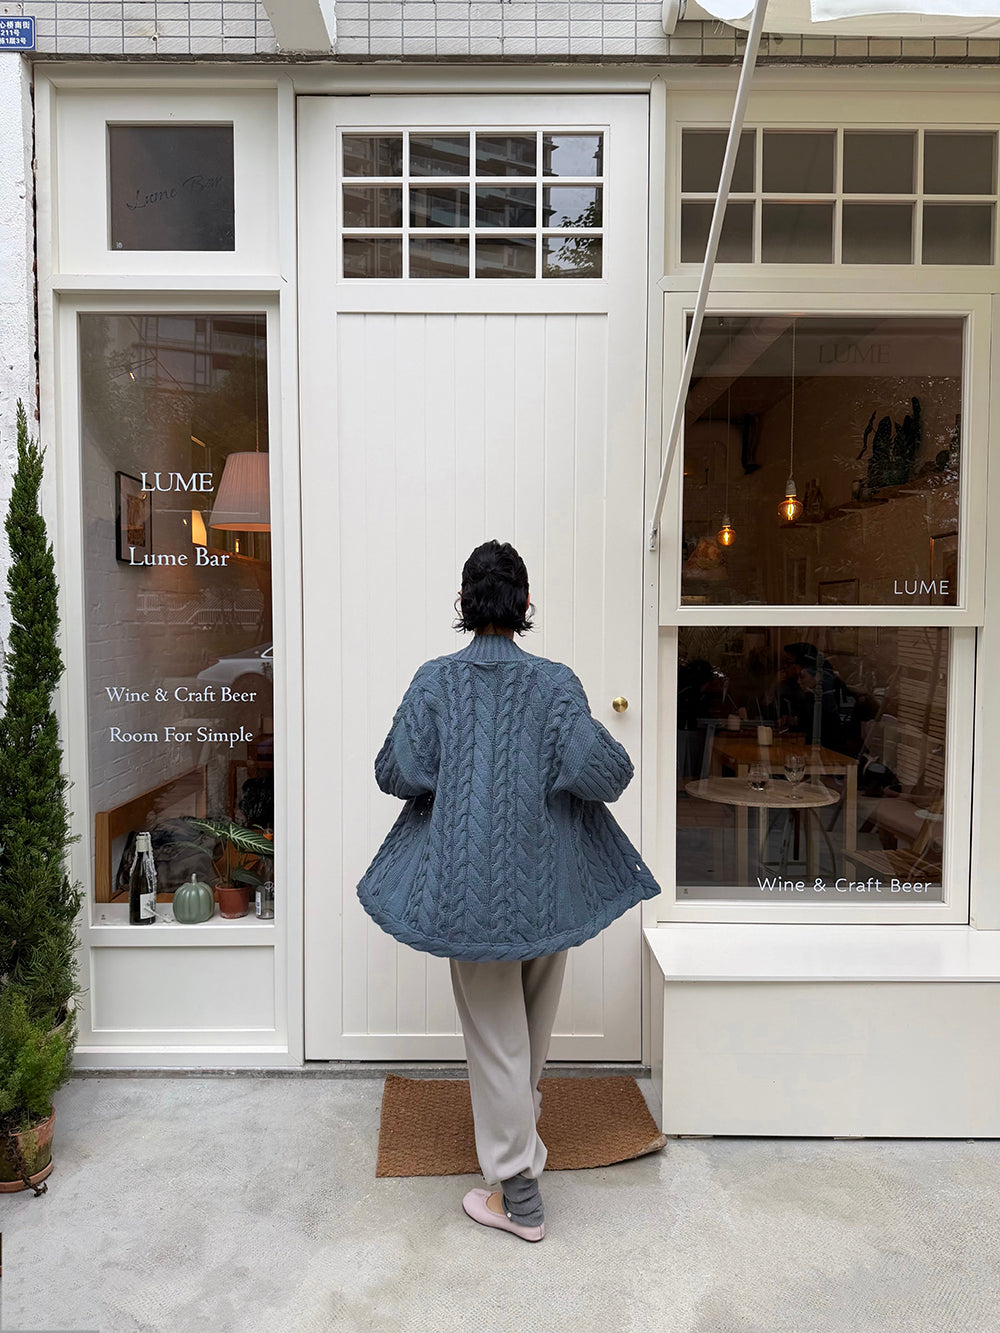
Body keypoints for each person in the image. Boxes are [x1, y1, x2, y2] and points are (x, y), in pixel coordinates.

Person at [357, 540, 661, 1242]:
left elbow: (395, 771)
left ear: (465, 603)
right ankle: (519, 1153)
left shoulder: (436, 682)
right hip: (549, 888)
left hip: (470, 894)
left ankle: (518, 1195)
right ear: (525, 603)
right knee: (528, 1033)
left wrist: (456, 770)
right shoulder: (556, 685)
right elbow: (607, 773)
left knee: (497, 1040)